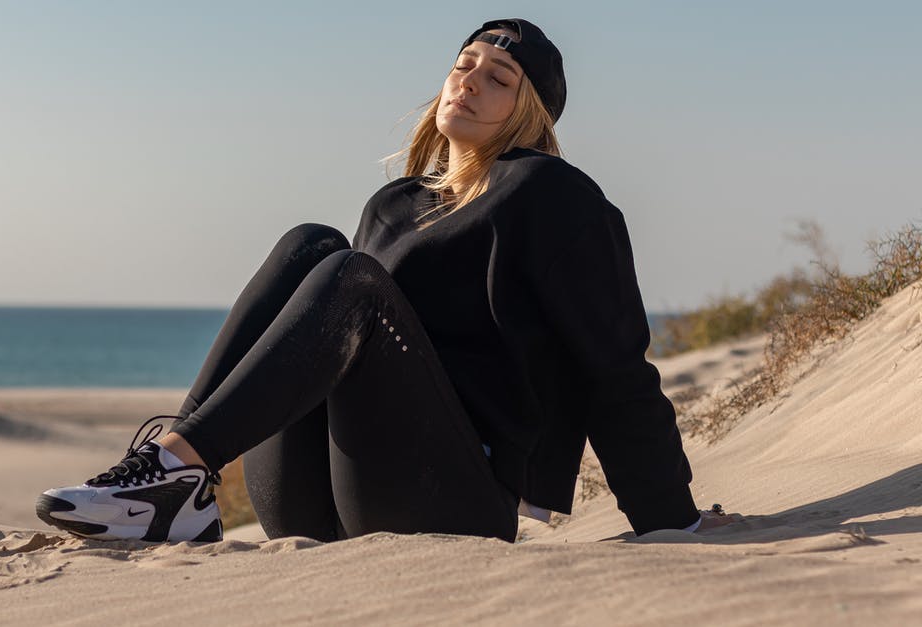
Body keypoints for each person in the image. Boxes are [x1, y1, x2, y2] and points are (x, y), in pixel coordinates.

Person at [36, 18, 735, 544]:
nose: (471, 81)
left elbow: (615, 366)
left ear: (530, 114)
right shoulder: (397, 205)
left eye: (500, 77)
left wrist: (670, 518)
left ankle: (172, 475)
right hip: (325, 496)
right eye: (464, 65)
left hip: (453, 502)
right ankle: (179, 472)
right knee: (310, 245)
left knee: (350, 277)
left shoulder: (549, 193)